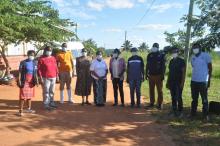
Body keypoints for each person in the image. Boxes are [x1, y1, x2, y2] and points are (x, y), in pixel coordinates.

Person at [190, 43, 212, 121]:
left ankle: (205, 115)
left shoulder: (206, 55)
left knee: (204, 99)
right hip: (194, 80)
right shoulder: (192, 57)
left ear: (200, 48)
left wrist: (209, 80)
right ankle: (193, 113)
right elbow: (193, 67)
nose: (194, 49)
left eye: (196, 47)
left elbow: (210, 68)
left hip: (203, 81)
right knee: (194, 98)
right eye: (193, 47)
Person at [145, 43, 166, 110]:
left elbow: (163, 66)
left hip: (159, 75)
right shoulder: (149, 55)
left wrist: (163, 75)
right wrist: (146, 74)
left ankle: (160, 104)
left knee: (159, 91)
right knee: (151, 90)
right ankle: (152, 103)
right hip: (151, 75)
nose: (154, 48)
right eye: (153, 46)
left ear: (158, 48)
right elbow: (147, 65)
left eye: (155, 47)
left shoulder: (162, 55)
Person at [166, 47, 186, 117]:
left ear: (178, 53)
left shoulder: (181, 61)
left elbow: (183, 73)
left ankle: (180, 111)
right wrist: (168, 82)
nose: (174, 53)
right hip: (171, 82)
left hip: (178, 82)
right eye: (173, 52)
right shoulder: (171, 61)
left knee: (178, 97)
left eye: (175, 52)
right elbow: (170, 72)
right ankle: (174, 110)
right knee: (173, 97)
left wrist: (182, 83)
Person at [18, 50, 38, 116]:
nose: (31, 56)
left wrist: (37, 80)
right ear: (28, 55)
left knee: (29, 96)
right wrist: (19, 80)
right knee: (22, 96)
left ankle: (28, 109)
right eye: (30, 55)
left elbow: (35, 72)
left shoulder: (35, 62)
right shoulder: (23, 62)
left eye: (33, 55)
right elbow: (20, 72)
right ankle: (20, 111)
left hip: (31, 81)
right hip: (24, 81)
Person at [38, 46, 58, 110]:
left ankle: (51, 102)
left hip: (53, 77)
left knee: (52, 91)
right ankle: (46, 104)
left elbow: (56, 67)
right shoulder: (41, 59)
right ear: (45, 51)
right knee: (46, 91)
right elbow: (39, 69)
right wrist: (40, 77)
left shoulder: (53, 58)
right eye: (48, 50)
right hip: (45, 77)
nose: (49, 52)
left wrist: (57, 75)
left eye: (50, 51)